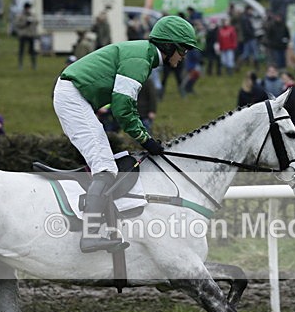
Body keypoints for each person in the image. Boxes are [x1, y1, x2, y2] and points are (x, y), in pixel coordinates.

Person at [52, 15, 198, 253]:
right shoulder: (140, 60)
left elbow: (123, 108)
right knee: (106, 168)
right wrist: (145, 139)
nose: (184, 56)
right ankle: (89, 236)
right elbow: (122, 108)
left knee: (106, 163)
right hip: (73, 97)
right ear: (170, 46)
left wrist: (144, 137)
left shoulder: (144, 56)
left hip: (75, 96)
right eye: (183, 50)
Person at [14, 2, 38, 69]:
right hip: (23, 35)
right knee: (21, 51)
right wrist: (25, 23)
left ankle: (34, 65)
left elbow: (36, 22)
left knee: (32, 51)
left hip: (31, 35)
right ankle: (20, 64)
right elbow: (17, 24)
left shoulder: (32, 15)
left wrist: (32, 22)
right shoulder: (20, 15)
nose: (28, 9)